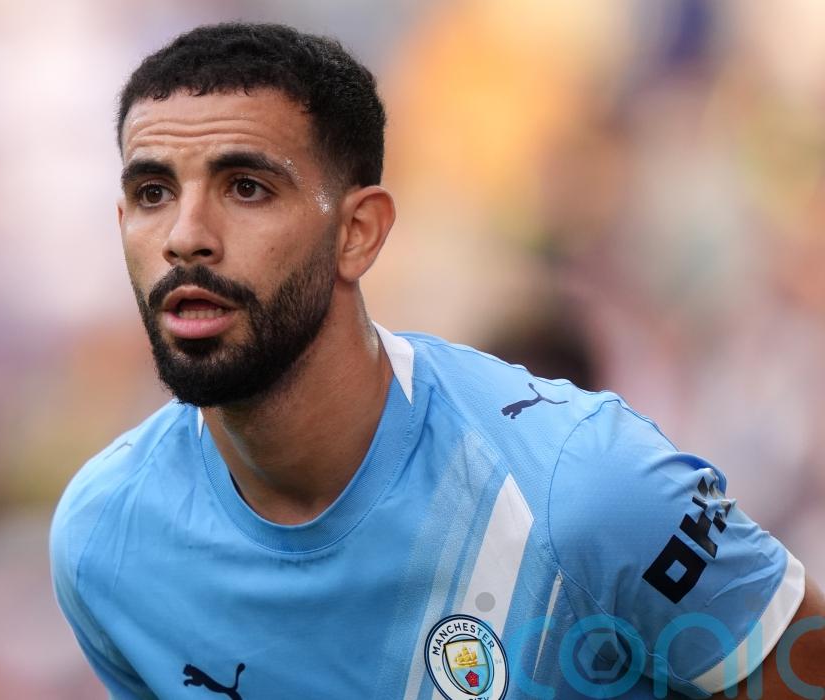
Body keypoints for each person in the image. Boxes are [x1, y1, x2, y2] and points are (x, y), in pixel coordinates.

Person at [49, 22, 824, 699]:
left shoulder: (586, 489)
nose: (185, 236)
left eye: (246, 188)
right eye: (152, 193)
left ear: (358, 233)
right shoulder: (105, 543)